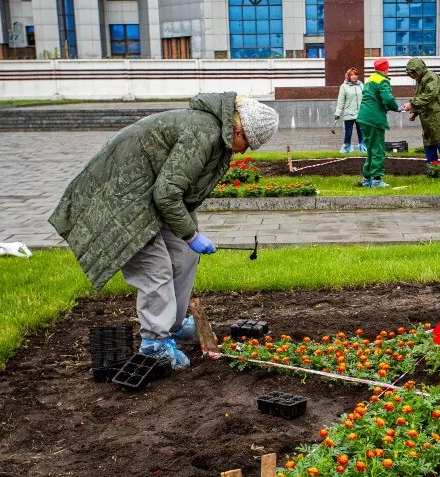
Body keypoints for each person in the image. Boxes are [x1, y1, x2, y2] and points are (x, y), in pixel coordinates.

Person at [49, 93, 279, 369]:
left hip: (147, 196)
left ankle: (173, 325)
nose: (244, 151)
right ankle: (155, 343)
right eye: (248, 144)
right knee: (155, 267)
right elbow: (167, 194)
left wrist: (189, 234)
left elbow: (182, 192)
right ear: (239, 129)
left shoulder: (214, 135)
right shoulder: (202, 133)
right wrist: (192, 235)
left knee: (185, 255)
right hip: (121, 198)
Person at [356, 58, 402, 188]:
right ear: (386, 69)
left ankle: (366, 179)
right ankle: (376, 180)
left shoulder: (371, 79)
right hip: (374, 119)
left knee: (371, 149)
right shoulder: (383, 81)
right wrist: (396, 107)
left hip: (363, 117)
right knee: (378, 149)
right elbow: (387, 98)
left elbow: (373, 98)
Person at [402, 57, 440, 165]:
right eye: (410, 74)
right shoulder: (420, 80)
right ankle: (432, 164)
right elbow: (419, 96)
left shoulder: (431, 78)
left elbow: (430, 95)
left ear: (419, 69)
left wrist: (411, 104)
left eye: (413, 73)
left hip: (438, 116)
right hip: (427, 117)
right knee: (429, 140)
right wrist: (415, 112)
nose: (412, 76)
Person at [334, 67, 366, 154]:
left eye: (355, 74)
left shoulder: (361, 85)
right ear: (348, 76)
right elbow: (340, 102)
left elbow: (366, 99)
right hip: (349, 114)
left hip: (360, 114)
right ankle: (346, 149)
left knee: (362, 133)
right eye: (352, 75)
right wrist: (337, 114)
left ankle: (363, 149)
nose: (354, 76)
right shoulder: (344, 87)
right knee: (348, 133)